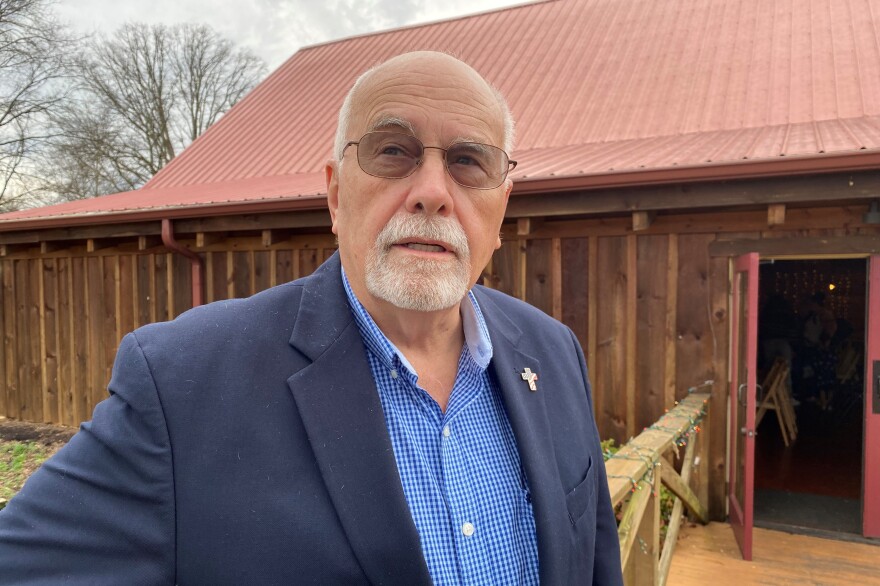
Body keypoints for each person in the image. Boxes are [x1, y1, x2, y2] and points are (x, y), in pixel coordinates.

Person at [0, 52, 622, 585]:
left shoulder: (555, 351)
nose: (432, 189)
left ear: (501, 202)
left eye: (469, 162)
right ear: (333, 193)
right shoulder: (180, 383)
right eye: (392, 151)